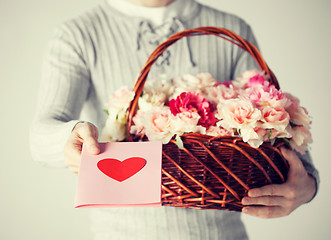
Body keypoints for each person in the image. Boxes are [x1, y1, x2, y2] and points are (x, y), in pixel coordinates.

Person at [30, 0, 319, 239]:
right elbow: (42, 133)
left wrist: (308, 185)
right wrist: (70, 138)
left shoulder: (232, 30)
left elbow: (280, 126)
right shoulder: (79, 34)